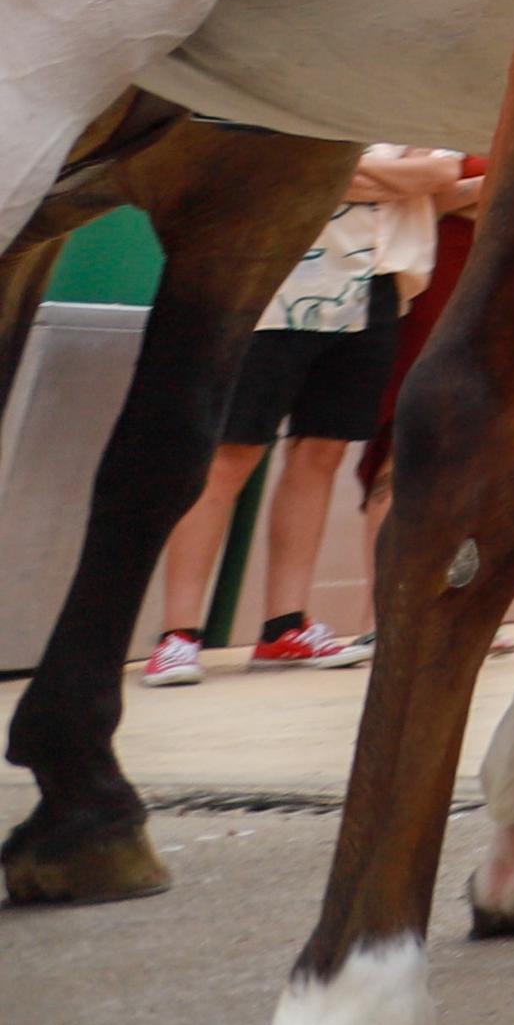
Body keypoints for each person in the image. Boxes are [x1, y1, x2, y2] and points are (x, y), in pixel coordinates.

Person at [143, 156, 451, 679]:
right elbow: (284, 168)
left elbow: (439, 176)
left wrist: (347, 174)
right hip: (278, 274)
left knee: (322, 451)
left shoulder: (402, 91)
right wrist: (384, 179)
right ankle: (178, 634)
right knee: (231, 454)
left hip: (375, 282)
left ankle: (284, 626)